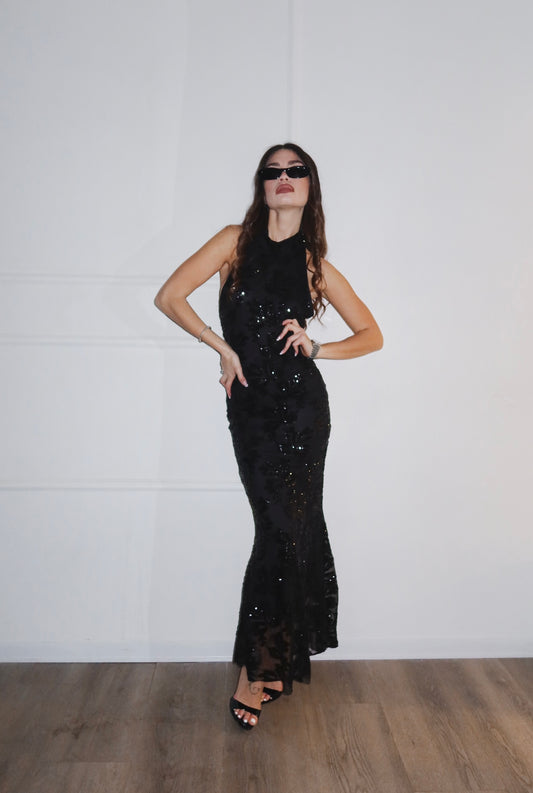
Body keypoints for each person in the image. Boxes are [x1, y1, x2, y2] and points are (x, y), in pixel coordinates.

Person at [154, 143, 383, 730]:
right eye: (273, 171)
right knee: (277, 531)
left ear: (309, 186)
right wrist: (222, 347)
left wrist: (318, 347)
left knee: (291, 530)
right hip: (252, 409)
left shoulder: (314, 264)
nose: (284, 177)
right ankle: (272, 659)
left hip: (304, 411)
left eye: (295, 170)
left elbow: (372, 335)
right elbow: (169, 296)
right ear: (262, 184)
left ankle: (259, 671)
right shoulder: (234, 242)